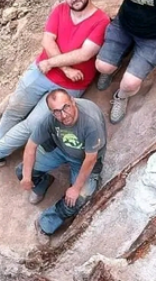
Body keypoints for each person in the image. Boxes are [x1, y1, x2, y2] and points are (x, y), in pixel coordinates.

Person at [0, 0, 110, 167]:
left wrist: (54, 64)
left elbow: (85, 54)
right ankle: (0, 151)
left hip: (68, 85)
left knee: (33, 124)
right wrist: (64, 67)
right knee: (14, 108)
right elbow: (47, 40)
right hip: (43, 70)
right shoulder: (60, 10)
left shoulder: (100, 20)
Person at [16, 89, 106, 237]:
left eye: (66, 107)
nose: (63, 115)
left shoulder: (90, 122)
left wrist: (76, 188)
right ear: (51, 112)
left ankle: (45, 223)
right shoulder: (51, 119)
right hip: (60, 149)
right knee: (23, 170)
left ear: (72, 101)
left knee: (76, 200)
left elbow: (90, 159)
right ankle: (42, 184)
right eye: (57, 112)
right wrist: (26, 177)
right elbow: (31, 145)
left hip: (84, 160)